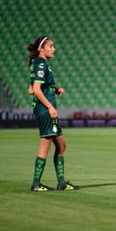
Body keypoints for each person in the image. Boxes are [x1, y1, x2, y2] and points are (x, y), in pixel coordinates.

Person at [28, 36, 79, 191]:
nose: (53, 48)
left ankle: (61, 183)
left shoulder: (39, 64)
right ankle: (36, 184)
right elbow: (35, 90)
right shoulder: (41, 63)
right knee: (45, 145)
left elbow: (31, 89)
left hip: (45, 108)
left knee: (62, 145)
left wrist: (54, 89)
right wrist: (50, 107)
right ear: (41, 49)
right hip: (45, 110)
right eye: (50, 46)